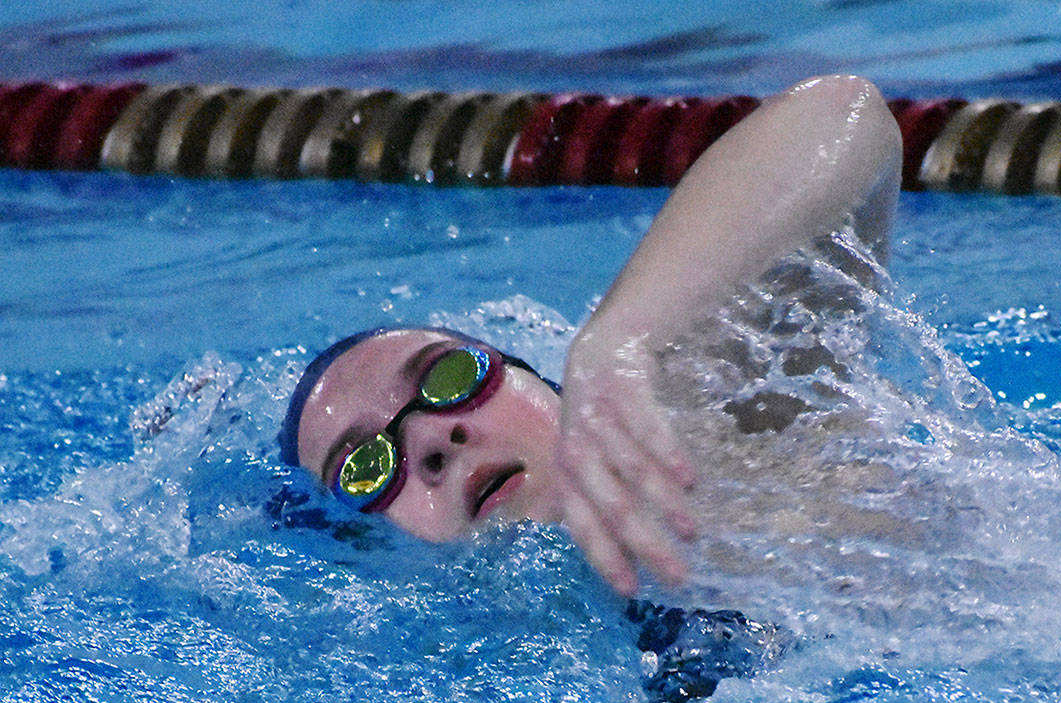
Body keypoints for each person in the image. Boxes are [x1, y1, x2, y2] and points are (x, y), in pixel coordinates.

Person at [281, 75, 903, 597]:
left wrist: (622, 338)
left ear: (540, 379)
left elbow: (845, 115)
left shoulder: (723, 422)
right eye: (367, 468)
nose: (431, 438)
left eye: (450, 377)